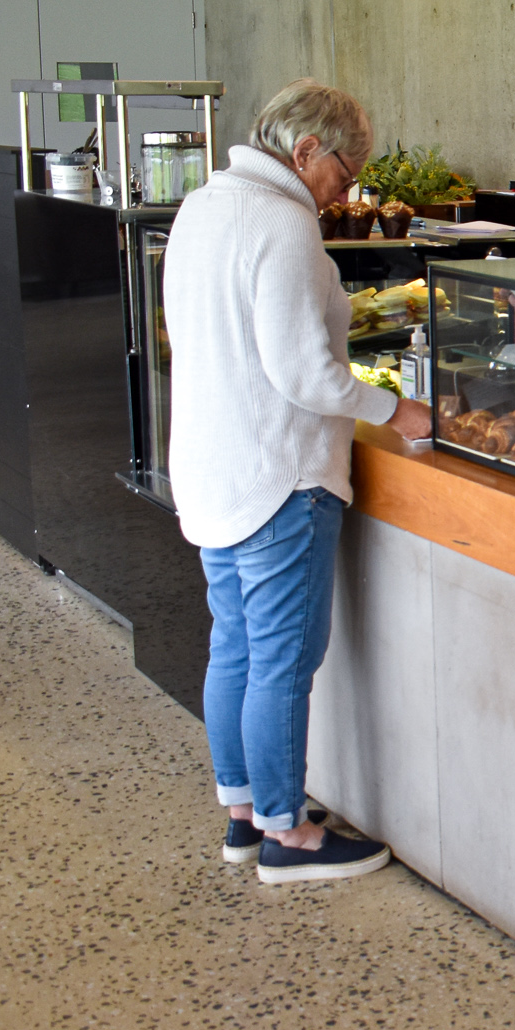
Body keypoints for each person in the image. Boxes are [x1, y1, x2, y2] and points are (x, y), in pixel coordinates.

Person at [164, 80, 434, 884]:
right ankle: (289, 834)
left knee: (237, 646)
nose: (345, 191)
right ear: (306, 150)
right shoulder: (283, 224)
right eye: (345, 174)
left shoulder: (204, 205)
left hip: (213, 467)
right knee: (283, 656)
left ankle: (245, 814)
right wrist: (395, 410)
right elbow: (305, 374)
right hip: (280, 475)